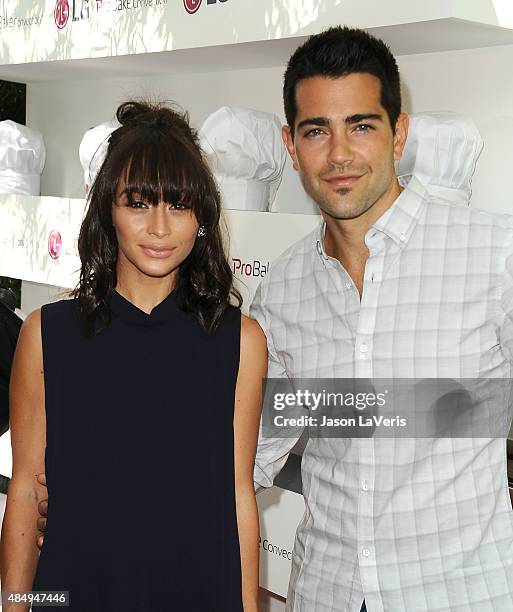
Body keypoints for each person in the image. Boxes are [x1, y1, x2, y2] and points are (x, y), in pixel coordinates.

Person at [250, 27, 513, 612]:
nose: (339, 154)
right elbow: (249, 452)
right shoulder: (282, 292)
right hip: (326, 594)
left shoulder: (495, 256)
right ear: (290, 146)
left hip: (462, 596)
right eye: (317, 130)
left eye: (362, 126)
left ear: (399, 134)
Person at [0, 100, 267, 612]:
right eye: (139, 203)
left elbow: (238, 500)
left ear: (202, 217)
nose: (161, 228)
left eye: (179, 205)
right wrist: (16, 606)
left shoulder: (241, 342)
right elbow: (27, 494)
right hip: (73, 593)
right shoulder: (46, 335)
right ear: (108, 211)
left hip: (199, 594)